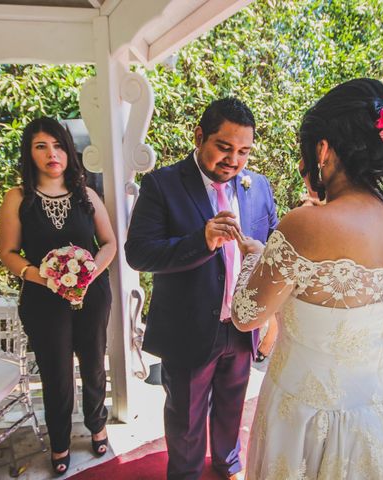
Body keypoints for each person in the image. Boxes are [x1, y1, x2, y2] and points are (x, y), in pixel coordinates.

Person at [231, 78, 383, 479]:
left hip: (306, 424)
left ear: (322, 149)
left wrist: (254, 256)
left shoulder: (307, 224)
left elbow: (246, 315)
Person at [125, 98, 278, 480]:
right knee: (186, 417)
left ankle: (228, 464)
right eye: (224, 147)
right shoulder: (162, 184)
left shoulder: (258, 186)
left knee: (233, 405)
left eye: (243, 151)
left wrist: (271, 315)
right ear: (199, 136)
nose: (234, 160)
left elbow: (274, 245)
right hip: (189, 326)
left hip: (242, 326)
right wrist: (201, 240)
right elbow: (138, 253)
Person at [0, 117, 117, 475]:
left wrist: (87, 272)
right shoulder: (18, 198)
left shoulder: (87, 195)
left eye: (59, 145)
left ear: (68, 150)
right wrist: (45, 277)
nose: (52, 153)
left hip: (92, 295)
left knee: (95, 363)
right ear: (29, 154)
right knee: (56, 374)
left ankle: (98, 425)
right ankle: (60, 441)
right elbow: (8, 252)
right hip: (43, 300)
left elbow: (109, 243)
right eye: (41, 146)